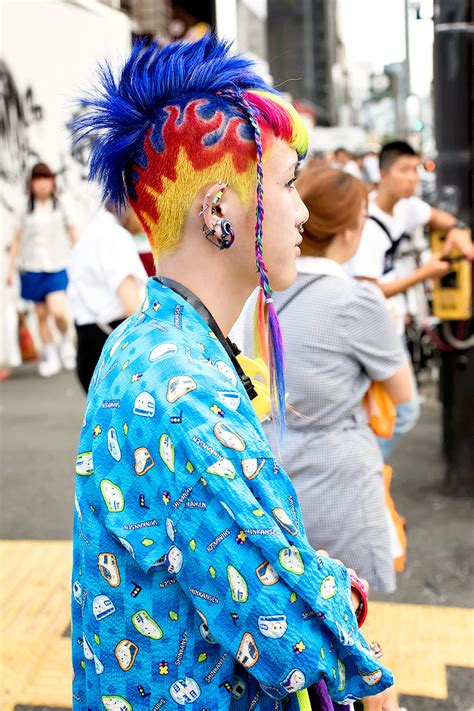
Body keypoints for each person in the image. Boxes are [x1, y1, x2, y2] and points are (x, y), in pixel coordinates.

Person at [70, 37, 398, 710]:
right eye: (286, 183)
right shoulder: (179, 388)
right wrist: (354, 619)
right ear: (219, 210)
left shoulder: (149, 343)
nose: (303, 212)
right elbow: (288, 623)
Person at [241, 168, 412, 592]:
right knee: (349, 612)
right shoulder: (357, 300)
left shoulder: (257, 294)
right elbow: (406, 403)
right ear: (352, 230)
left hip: (268, 473)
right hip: (342, 480)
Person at [344, 140, 473, 460]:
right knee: (404, 410)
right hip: (372, 327)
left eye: (415, 170)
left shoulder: (407, 207)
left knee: (379, 409)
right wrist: (424, 274)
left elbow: (437, 217)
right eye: (404, 170)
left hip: (390, 323)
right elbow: (367, 291)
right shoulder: (367, 224)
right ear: (383, 174)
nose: (412, 178)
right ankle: (366, 467)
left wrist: (457, 229)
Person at [6, 162, 78, 377]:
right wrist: (9, 269)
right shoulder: (23, 207)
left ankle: (66, 341)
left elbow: (73, 232)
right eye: (38, 179)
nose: (42, 184)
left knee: (58, 311)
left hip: (58, 265)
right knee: (40, 314)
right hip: (31, 267)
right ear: (32, 183)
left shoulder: (61, 204)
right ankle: (51, 356)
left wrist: (80, 258)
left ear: (52, 181)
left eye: (46, 178)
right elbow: (16, 241)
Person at [67, 207, 148, 392]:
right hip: (113, 347)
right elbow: (131, 306)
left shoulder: (95, 231)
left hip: (93, 343)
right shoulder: (114, 237)